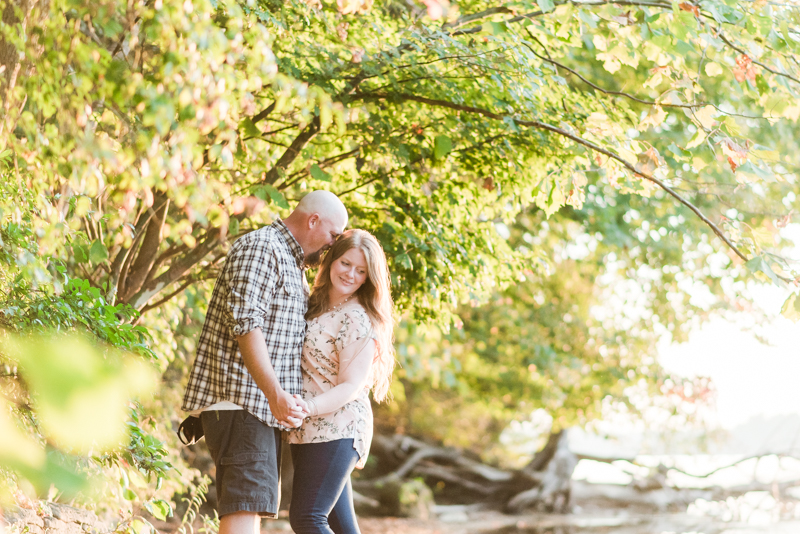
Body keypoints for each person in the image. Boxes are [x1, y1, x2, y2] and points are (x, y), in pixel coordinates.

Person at [181, 190, 348, 534]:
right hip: (242, 402)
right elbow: (246, 324)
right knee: (245, 506)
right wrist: (274, 393)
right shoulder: (263, 247)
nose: (333, 246)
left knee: (252, 507)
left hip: (260, 407)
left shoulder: (293, 263)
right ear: (313, 220)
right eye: (333, 236)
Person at [285, 229, 395, 534]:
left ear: (368, 277)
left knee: (308, 517)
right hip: (308, 428)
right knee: (341, 525)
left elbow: (350, 386)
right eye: (346, 263)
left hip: (338, 427)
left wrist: (306, 407)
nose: (351, 274)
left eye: (361, 271)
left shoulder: (357, 318)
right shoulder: (317, 304)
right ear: (332, 258)